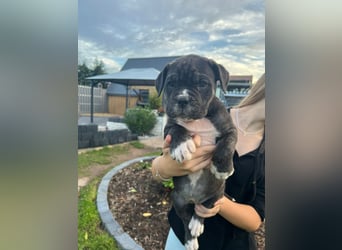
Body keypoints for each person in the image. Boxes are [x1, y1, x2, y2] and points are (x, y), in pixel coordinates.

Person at [151, 73, 265, 250]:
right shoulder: (206, 113)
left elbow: (255, 220)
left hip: (232, 244)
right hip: (182, 234)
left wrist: (217, 202)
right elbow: (159, 167)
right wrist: (164, 167)